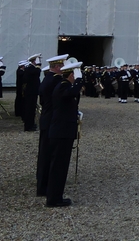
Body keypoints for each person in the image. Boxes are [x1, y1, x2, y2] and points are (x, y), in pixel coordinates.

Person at [45, 60, 83, 208]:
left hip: (63, 131)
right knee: (58, 167)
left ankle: (56, 196)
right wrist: (79, 81)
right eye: (76, 75)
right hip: (61, 132)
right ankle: (54, 199)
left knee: (61, 166)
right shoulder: (62, 86)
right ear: (71, 75)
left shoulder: (64, 85)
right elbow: (72, 93)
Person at [37, 54, 67, 197]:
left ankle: (42, 184)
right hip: (52, 120)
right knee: (50, 155)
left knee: (45, 154)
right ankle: (46, 186)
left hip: (46, 118)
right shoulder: (56, 80)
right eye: (63, 66)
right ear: (57, 67)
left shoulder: (47, 78)